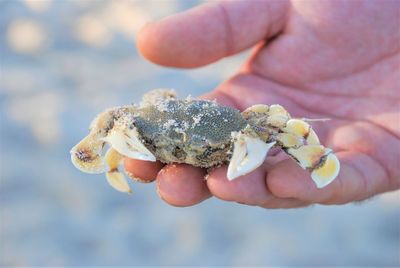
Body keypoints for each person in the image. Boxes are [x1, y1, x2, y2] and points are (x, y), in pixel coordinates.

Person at [124, 0, 400, 208]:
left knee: (278, 126)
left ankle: (314, 159)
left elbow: (283, 124)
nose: (185, 152)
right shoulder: (138, 118)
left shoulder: (250, 124)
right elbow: (112, 125)